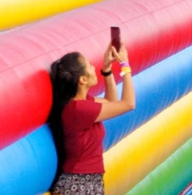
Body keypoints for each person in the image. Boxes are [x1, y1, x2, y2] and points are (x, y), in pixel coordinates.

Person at [48, 42, 136, 195]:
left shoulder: (82, 104)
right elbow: (128, 104)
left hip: (84, 183)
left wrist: (107, 70)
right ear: (82, 80)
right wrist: (125, 65)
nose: (94, 68)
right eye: (89, 66)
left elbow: (111, 102)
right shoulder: (79, 109)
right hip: (79, 184)